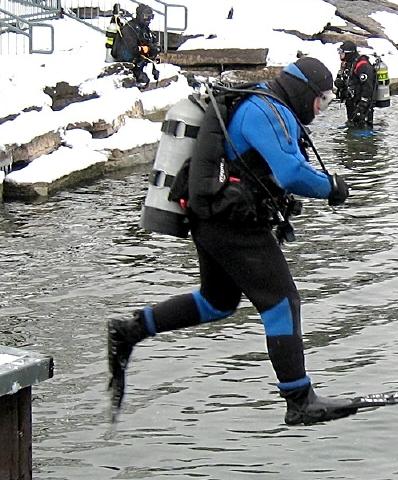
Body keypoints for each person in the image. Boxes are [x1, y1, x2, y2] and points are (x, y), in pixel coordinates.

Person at [108, 57, 356, 426]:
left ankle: (129, 331)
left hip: (211, 218)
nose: (320, 110)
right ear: (304, 91)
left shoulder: (263, 104)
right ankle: (299, 399)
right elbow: (289, 172)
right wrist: (330, 187)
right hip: (232, 224)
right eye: (322, 100)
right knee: (281, 301)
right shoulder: (265, 110)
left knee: (217, 300)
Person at [111, 3, 160, 87]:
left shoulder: (145, 29)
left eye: (151, 17)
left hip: (139, 62)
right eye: (146, 16)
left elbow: (152, 44)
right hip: (127, 62)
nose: (148, 19)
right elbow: (133, 49)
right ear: (140, 15)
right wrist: (147, 49)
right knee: (143, 80)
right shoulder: (129, 28)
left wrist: (152, 48)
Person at [334, 41, 377, 128]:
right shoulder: (347, 64)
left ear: (349, 54)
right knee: (352, 128)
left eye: (342, 53)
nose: (340, 55)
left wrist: (362, 107)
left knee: (363, 132)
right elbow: (349, 81)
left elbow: (368, 88)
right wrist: (341, 84)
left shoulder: (362, 65)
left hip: (362, 106)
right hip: (351, 103)